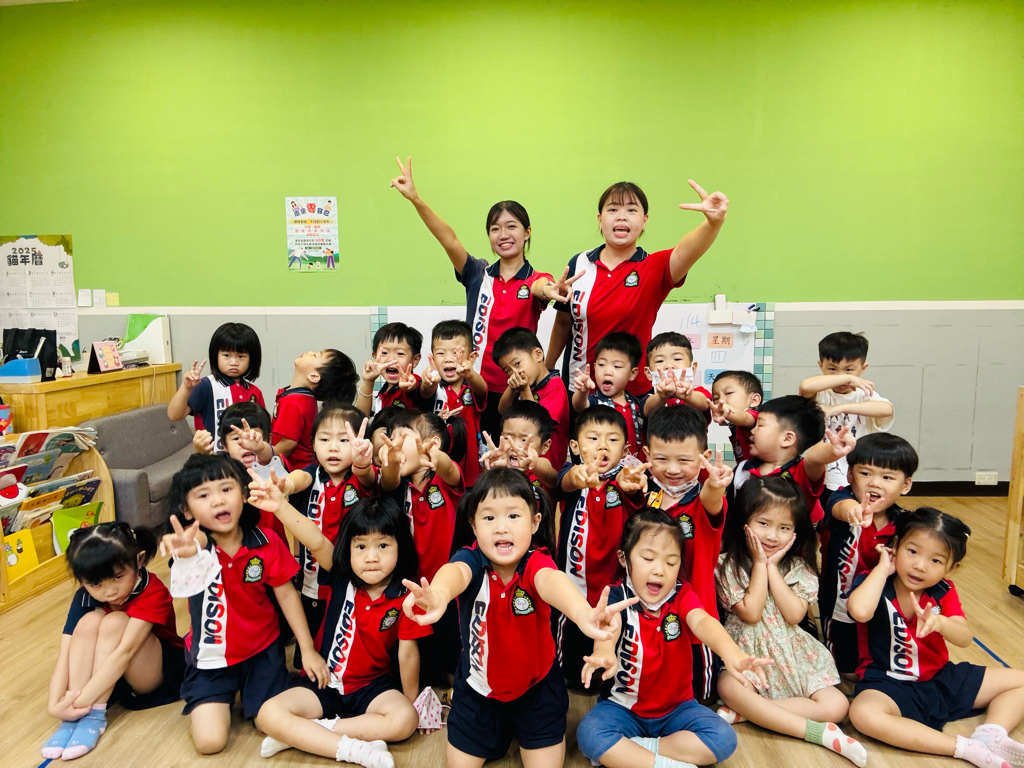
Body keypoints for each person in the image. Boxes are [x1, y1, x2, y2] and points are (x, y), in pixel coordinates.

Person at [401, 468, 638, 768]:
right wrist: (437, 595)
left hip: (537, 692)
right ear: (473, 525)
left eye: (513, 516)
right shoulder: (470, 559)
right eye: (489, 518)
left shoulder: (536, 562)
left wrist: (583, 614)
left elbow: (551, 580)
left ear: (535, 522)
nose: (501, 528)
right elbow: (454, 573)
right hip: (478, 690)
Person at [248, 484, 430, 768]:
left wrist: (412, 704)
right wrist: (281, 507)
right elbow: (316, 540)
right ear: (349, 549)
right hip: (324, 681)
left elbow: (407, 655)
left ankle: (305, 735)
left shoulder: (409, 596)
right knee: (266, 715)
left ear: (400, 547)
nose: (371, 557)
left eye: (383, 546)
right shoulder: (341, 576)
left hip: (372, 687)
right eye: (361, 546)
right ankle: (356, 750)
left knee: (405, 720)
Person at [389, 156, 569, 438]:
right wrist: (415, 198)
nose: (503, 234)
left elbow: (541, 286)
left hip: (516, 387)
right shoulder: (477, 273)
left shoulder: (535, 278)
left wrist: (550, 291)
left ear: (527, 232)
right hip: (474, 387)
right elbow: (448, 239)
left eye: (511, 226)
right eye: (495, 229)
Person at [575, 508, 770, 768]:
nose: (659, 571)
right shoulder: (616, 597)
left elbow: (702, 621)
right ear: (623, 558)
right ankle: (666, 764)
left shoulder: (681, 594)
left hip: (678, 709)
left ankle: (635, 752)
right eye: (648, 558)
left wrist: (732, 653)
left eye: (671, 562)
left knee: (723, 738)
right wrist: (604, 652)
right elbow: (609, 630)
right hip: (621, 709)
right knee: (589, 734)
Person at [160, 454, 327, 755]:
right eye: (203, 495)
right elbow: (194, 545)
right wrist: (185, 551)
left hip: (262, 650)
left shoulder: (266, 540)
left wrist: (307, 649)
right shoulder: (194, 547)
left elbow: (287, 595)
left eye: (226, 489)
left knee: (269, 722)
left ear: (245, 494)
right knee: (210, 743)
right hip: (211, 657)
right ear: (186, 509)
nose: (217, 501)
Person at [847, 508, 1024, 767]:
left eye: (936, 561)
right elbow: (860, 611)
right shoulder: (873, 580)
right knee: (863, 714)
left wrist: (941, 623)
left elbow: (964, 637)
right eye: (912, 551)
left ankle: (991, 734)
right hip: (887, 683)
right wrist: (883, 569)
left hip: (941, 678)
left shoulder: (943, 590)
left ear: (952, 568)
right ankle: (963, 748)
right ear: (895, 546)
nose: (920, 565)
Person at [715, 477, 867, 766]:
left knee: (837, 705)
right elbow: (751, 613)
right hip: (748, 655)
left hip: (795, 657)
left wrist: (772, 567)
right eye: (763, 523)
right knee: (728, 687)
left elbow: (794, 615)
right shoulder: (728, 564)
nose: (773, 536)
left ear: (796, 532)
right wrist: (760, 565)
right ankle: (818, 733)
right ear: (743, 522)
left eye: (784, 528)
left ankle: (751, 712)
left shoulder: (798, 567)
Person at [546, 180, 729, 397]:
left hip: (633, 393)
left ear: (644, 221)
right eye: (613, 209)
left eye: (631, 210)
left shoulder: (654, 267)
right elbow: (563, 322)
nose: (621, 216)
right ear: (600, 219)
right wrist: (547, 370)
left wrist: (713, 223)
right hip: (580, 389)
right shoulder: (579, 263)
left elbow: (685, 251)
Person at [41, 523, 184, 760]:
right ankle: (75, 718)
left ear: (139, 560)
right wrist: (55, 705)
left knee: (114, 622)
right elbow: (65, 652)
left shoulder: (152, 592)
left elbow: (124, 653)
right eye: (96, 584)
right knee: (88, 622)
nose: (109, 592)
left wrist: (77, 704)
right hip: (113, 677)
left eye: (118, 577)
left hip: (156, 674)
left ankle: (92, 716)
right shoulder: (85, 595)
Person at [642, 404, 734, 700]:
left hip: (697, 620)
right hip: (649, 614)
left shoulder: (703, 498)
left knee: (699, 697)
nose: (672, 469)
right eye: (661, 459)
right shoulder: (644, 495)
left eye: (684, 459)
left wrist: (715, 486)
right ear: (646, 455)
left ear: (703, 457)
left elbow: (712, 499)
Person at [277, 406, 378, 663]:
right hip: (311, 580)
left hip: (353, 582)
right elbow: (299, 478)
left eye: (344, 441)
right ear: (313, 443)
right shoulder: (313, 475)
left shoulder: (361, 477)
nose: (333, 448)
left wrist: (362, 462)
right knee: (311, 648)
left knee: (342, 644)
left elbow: (368, 477)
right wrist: (286, 485)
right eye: (324, 439)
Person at [555, 406, 648, 687]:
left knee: (612, 668)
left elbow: (635, 491)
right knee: (569, 671)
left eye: (612, 439)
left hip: (615, 590)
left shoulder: (626, 479)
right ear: (575, 446)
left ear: (626, 449)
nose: (602, 446)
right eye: (593, 438)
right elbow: (567, 481)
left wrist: (631, 485)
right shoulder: (573, 476)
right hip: (573, 591)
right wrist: (578, 477)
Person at [819, 433, 917, 679]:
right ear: (850, 475)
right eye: (865, 473)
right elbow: (840, 509)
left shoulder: (902, 521)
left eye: (887, 477)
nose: (875, 483)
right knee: (847, 672)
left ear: (905, 485)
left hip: (878, 604)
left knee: (879, 659)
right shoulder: (841, 499)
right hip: (840, 605)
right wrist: (854, 511)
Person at [380, 409, 466, 686]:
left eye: (401, 438)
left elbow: (450, 469)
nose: (393, 445)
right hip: (408, 585)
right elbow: (388, 480)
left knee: (452, 648)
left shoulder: (444, 481)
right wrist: (391, 461)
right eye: (390, 439)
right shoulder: (398, 484)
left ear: (431, 444)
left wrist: (435, 457)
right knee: (416, 649)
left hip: (446, 587)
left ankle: (457, 691)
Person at [798, 332, 894, 505]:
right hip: (822, 474)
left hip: (856, 476)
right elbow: (805, 386)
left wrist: (840, 408)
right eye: (832, 369)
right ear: (821, 366)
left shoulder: (864, 395)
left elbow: (887, 409)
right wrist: (849, 376)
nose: (839, 377)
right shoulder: (820, 394)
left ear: (863, 368)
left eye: (849, 369)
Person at [732, 394, 855, 526]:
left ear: (787, 438)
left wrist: (832, 449)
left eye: (760, 425)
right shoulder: (743, 469)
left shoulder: (801, 472)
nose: (752, 430)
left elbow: (813, 458)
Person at [191, 401, 288, 544]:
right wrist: (201, 453)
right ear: (224, 445)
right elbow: (201, 475)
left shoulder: (272, 464)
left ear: (268, 439)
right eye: (236, 438)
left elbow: (272, 457)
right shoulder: (224, 469)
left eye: (253, 437)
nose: (246, 444)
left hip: (272, 544)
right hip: (233, 545)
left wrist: (261, 449)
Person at [167, 322, 265, 447]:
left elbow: (262, 428)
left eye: (241, 356)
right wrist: (186, 388)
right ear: (215, 355)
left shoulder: (254, 392)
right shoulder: (206, 385)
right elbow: (174, 415)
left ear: (252, 359)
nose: (234, 362)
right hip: (212, 455)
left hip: (246, 455)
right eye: (226, 355)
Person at [420, 319, 487, 486]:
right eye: (441, 353)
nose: (449, 359)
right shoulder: (434, 386)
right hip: (437, 475)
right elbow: (424, 393)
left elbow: (482, 389)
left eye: (456, 353)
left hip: (473, 474)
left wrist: (470, 374)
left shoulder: (472, 385)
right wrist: (429, 382)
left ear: (471, 357)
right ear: (432, 358)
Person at [492, 326, 570, 469]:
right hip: (524, 463)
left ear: (538, 355)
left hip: (546, 468)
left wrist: (524, 390)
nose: (515, 373)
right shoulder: (526, 384)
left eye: (517, 364)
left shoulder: (555, 385)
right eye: (508, 371)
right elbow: (502, 410)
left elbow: (536, 423)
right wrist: (512, 388)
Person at [272, 348, 358, 472]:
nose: (310, 352)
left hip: (295, 471)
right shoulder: (301, 398)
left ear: (314, 376)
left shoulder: (294, 402)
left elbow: (288, 443)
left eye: (316, 355)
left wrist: (266, 459)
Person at [572, 331, 646, 458]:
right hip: (603, 465)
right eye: (601, 365)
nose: (607, 372)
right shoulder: (595, 402)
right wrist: (582, 392)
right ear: (594, 367)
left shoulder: (637, 405)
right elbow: (579, 405)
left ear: (632, 373)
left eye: (617, 366)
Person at [356, 322, 425, 415]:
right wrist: (368, 381)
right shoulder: (384, 391)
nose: (391, 359)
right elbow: (360, 416)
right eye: (384, 353)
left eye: (400, 353)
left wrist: (411, 386)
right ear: (375, 356)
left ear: (415, 360)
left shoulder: (413, 383)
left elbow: (418, 386)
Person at [642, 332, 711, 419]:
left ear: (692, 369)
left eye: (677, 359)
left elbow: (705, 404)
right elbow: (647, 410)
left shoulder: (698, 394)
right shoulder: (651, 398)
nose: (669, 366)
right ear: (648, 373)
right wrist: (661, 396)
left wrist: (689, 396)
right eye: (660, 361)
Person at [710, 370, 763, 463]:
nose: (721, 400)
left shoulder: (756, 417)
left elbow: (745, 417)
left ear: (754, 400)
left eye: (728, 393)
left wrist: (728, 412)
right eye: (715, 398)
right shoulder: (735, 426)